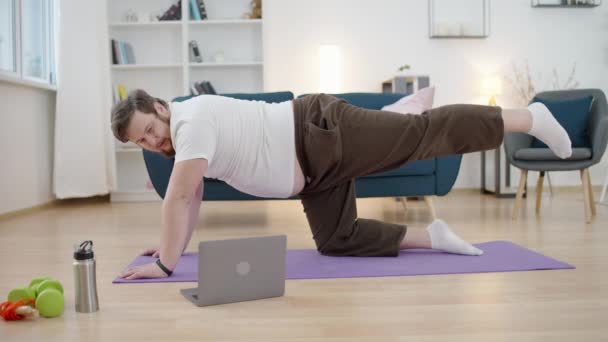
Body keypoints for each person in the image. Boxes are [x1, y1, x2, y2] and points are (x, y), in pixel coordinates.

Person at [112, 90, 571, 280]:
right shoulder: (184, 136)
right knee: (337, 240)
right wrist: (170, 248)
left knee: (422, 136)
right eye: (143, 143)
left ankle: (528, 117)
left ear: (160, 106)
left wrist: (168, 267)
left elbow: (181, 194)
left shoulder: (189, 122)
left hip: (318, 133)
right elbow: (193, 199)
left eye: (150, 129)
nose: (154, 142)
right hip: (314, 174)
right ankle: (433, 236)